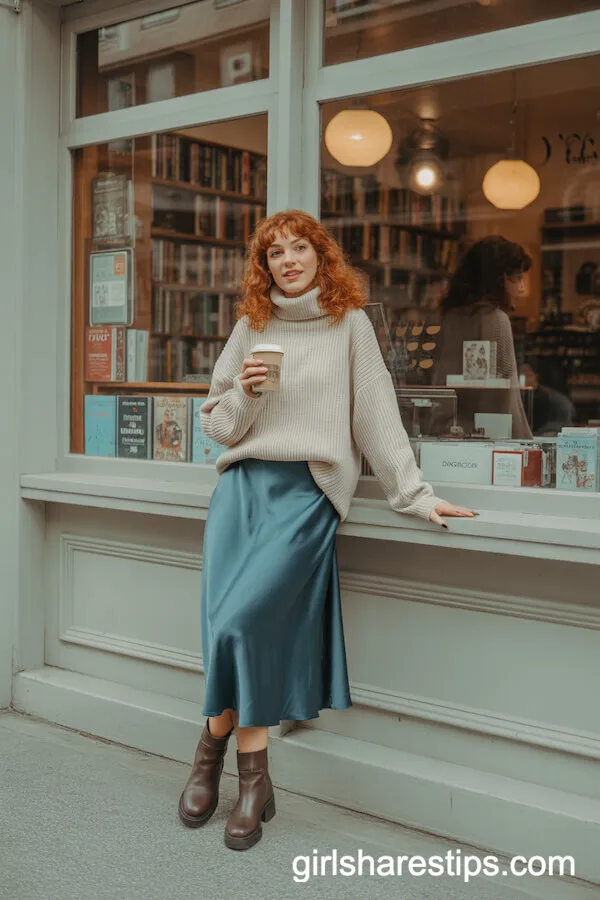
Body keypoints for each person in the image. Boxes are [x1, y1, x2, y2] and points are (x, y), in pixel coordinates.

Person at [178, 210, 476, 851]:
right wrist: (248, 394)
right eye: (274, 253)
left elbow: (376, 417)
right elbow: (219, 427)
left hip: (305, 494)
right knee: (229, 628)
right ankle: (242, 776)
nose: (287, 261)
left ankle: (216, 751)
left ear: (320, 255)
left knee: (240, 625)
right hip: (240, 493)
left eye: (298, 249)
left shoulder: (350, 326)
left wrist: (415, 495)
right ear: (264, 268)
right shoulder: (249, 326)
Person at [432, 236, 533, 439]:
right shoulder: (496, 320)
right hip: (490, 440)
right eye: (518, 277)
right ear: (501, 279)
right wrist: (525, 445)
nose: (522, 288)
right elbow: (504, 400)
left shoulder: (449, 319)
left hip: (448, 436)